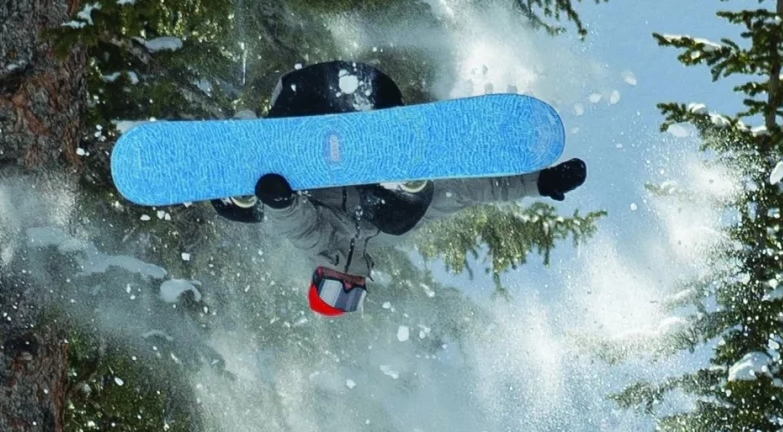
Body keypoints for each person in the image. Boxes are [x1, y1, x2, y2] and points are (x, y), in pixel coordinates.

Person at [212, 60, 587, 315]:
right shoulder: (384, 235)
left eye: (333, 293)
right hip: (370, 104)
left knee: (245, 213)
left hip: (302, 102)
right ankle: (406, 177)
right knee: (404, 217)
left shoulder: (320, 245)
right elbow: (470, 191)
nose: (346, 287)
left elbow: (297, 226)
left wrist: (279, 203)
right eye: (353, 296)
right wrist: (540, 182)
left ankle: (241, 182)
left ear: (319, 277)